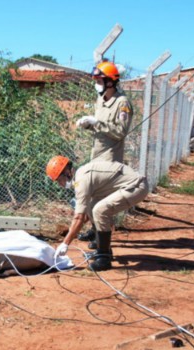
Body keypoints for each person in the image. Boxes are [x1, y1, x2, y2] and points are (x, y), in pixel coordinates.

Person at [46, 155, 148, 271]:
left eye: (59, 180)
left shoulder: (81, 181)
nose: (60, 184)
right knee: (91, 206)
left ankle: (104, 258)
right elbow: (84, 215)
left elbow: (79, 217)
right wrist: (74, 230)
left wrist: (65, 243)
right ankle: (103, 250)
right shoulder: (81, 175)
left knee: (99, 210)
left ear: (68, 173)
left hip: (136, 186)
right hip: (129, 185)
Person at [75, 61, 133, 243]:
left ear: (110, 82)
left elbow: (120, 132)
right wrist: (88, 125)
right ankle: (95, 229)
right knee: (93, 195)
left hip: (110, 157)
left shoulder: (122, 103)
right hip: (96, 154)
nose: (96, 83)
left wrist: (96, 123)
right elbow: (100, 127)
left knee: (102, 200)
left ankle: (102, 238)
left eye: (99, 80)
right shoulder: (100, 100)